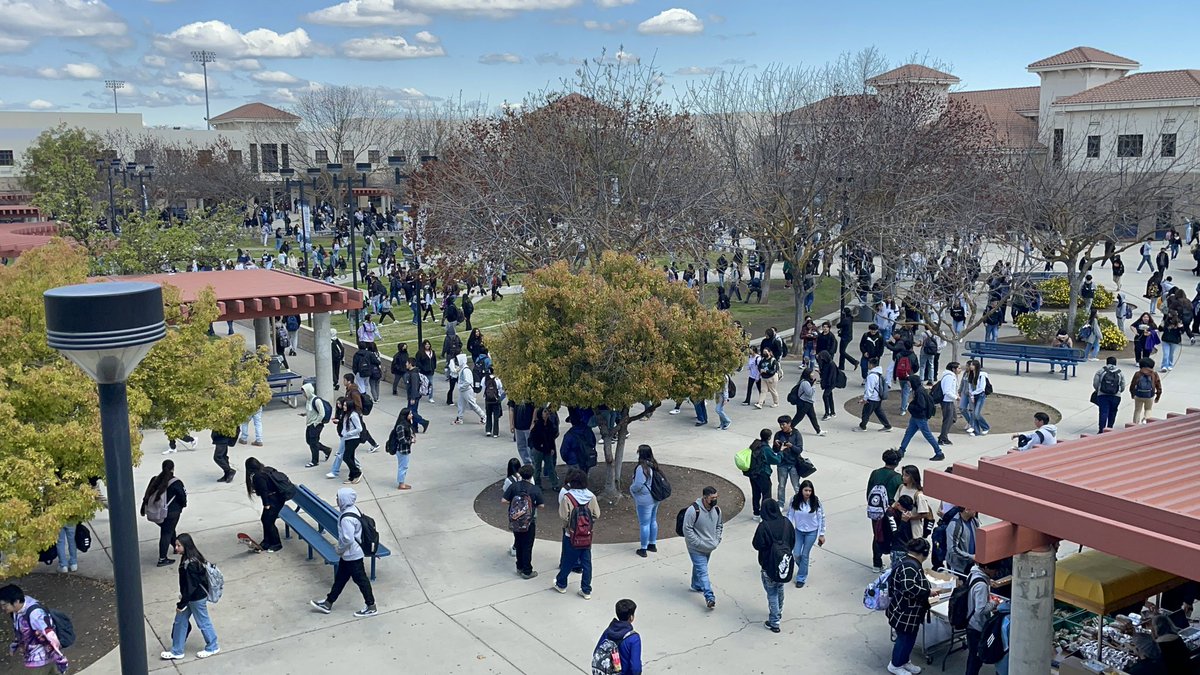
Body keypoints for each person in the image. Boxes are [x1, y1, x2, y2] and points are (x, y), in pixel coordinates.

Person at [310, 488, 377, 617]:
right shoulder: (353, 509)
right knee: (341, 578)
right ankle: (328, 602)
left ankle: (371, 606)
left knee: (361, 580)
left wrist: (339, 549)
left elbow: (347, 539)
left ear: (344, 499)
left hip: (352, 555)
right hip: (351, 554)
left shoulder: (346, 518)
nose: (337, 499)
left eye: (338, 497)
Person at [160, 533, 220, 661]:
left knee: (202, 622)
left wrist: (181, 604)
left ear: (185, 546)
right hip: (192, 597)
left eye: (178, 545)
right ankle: (177, 650)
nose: (176, 548)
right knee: (180, 622)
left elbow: (190, 587)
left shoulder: (190, 564)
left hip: (195, 598)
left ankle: (212, 646)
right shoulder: (193, 558)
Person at [885, 538, 934, 675]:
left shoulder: (907, 561)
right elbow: (909, 588)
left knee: (910, 638)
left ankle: (904, 661)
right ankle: (895, 665)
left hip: (907, 610)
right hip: (905, 611)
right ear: (924, 553)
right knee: (904, 639)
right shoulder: (910, 566)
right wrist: (928, 592)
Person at [553, 469, 600, 599]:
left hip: (571, 534)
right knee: (587, 563)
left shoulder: (568, 497)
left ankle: (561, 584)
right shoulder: (591, 496)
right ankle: (586, 589)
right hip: (587, 535)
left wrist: (568, 527)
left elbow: (564, 516)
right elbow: (596, 514)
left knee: (568, 560)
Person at [1, 584, 70, 673]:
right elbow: (21, 631)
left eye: (4, 605)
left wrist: (60, 658)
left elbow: (50, 635)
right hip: (34, 656)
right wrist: (15, 645)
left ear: (16, 601)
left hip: (40, 658)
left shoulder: (35, 614)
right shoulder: (17, 611)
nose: (2, 608)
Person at [751, 498, 795, 633]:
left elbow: (757, 544)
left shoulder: (764, 526)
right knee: (780, 587)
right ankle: (779, 611)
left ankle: (774, 620)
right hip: (784, 562)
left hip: (768, 564)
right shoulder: (786, 523)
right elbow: (792, 540)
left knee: (772, 592)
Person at [682, 486, 723, 610]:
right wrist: (698, 543)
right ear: (705, 498)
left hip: (709, 546)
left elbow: (719, 525)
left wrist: (716, 540)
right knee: (703, 571)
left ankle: (696, 585)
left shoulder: (717, 510)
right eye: (712, 498)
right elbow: (687, 529)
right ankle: (709, 597)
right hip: (696, 548)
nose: (715, 500)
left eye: (716, 497)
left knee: (700, 568)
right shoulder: (692, 511)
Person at [141, 459, 187, 567]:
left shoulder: (155, 479)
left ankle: (175, 546)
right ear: (173, 469)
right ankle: (162, 559)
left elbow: (147, 494)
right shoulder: (176, 483)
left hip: (156, 513)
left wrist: (143, 508)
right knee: (166, 533)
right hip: (172, 513)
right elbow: (182, 497)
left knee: (169, 529)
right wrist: (183, 505)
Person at [501, 464, 544, 579]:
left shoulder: (514, 486)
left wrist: (514, 505)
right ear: (531, 476)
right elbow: (541, 505)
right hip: (529, 522)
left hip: (515, 520)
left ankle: (519, 566)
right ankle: (527, 570)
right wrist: (531, 506)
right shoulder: (535, 489)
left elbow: (504, 500)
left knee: (518, 543)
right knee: (527, 545)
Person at [867, 450, 903, 572]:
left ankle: (877, 563)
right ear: (897, 462)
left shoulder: (875, 473)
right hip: (891, 511)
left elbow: (869, 492)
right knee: (894, 535)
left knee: (877, 535)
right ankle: (895, 562)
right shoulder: (898, 477)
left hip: (876, 510)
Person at [896, 374, 945, 461]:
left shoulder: (919, 392)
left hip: (920, 417)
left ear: (913, 382)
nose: (908, 383)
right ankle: (901, 450)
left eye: (909, 382)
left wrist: (910, 407)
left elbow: (921, 406)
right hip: (917, 416)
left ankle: (939, 452)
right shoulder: (919, 390)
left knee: (927, 435)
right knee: (909, 433)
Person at [786, 480, 825, 589]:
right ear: (801, 490)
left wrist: (821, 534)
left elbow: (821, 517)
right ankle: (803, 567)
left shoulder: (816, 501)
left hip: (812, 532)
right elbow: (790, 515)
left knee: (804, 555)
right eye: (806, 490)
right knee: (796, 554)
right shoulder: (794, 500)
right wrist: (787, 529)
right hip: (798, 531)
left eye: (810, 491)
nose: (808, 493)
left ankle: (801, 577)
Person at [964, 561, 1001, 675]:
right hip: (976, 626)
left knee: (973, 657)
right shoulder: (982, 585)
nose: (996, 572)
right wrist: (994, 603)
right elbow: (980, 610)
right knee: (976, 659)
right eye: (994, 569)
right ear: (986, 568)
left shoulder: (973, 574)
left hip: (969, 621)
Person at [245, 458, 287, 552]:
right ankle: (266, 541)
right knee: (265, 519)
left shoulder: (258, 476)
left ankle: (276, 543)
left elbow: (264, 491)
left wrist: (266, 504)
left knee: (269, 522)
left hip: (273, 500)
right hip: (278, 497)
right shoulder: (265, 470)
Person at [629, 445, 664, 558]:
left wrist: (631, 489)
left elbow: (638, 485)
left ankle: (643, 548)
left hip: (644, 500)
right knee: (653, 520)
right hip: (655, 497)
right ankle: (652, 544)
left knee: (644, 523)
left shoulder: (641, 468)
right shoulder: (653, 465)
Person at [593, 599, 642, 675]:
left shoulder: (608, 631)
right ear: (631, 617)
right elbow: (635, 668)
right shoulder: (634, 638)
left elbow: (596, 652)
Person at [746, 428, 779, 519]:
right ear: (769, 438)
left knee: (756, 493)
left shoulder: (755, 444)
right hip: (762, 473)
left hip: (752, 473)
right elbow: (775, 460)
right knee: (766, 493)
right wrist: (781, 452)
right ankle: (765, 514)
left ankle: (756, 513)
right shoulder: (766, 448)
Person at [773, 416, 803, 504]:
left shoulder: (796, 434)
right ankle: (780, 503)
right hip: (782, 464)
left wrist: (791, 446)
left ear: (789, 424)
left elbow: (799, 449)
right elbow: (775, 450)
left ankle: (800, 503)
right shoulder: (778, 434)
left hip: (794, 464)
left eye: (783, 424)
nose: (782, 427)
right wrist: (776, 445)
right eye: (780, 425)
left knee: (796, 486)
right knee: (781, 486)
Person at [302, 383, 333, 467]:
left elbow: (322, 414)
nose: (303, 394)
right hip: (310, 424)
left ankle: (314, 461)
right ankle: (326, 450)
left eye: (304, 392)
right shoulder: (308, 400)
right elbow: (311, 410)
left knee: (313, 443)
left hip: (316, 425)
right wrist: (305, 414)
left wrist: (316, 423)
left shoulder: (316, 401)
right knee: (309, 441)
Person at [529, 406, 560, 490]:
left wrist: (552, 448)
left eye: (547, 412)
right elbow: (533, 438)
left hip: (547, 449)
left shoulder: (550, 424)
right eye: (545, 412)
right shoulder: (537, 425)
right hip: (538, 449)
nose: (547, 414)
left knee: (551, 467)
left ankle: (555, 484)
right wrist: (538, 446)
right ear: (541, 414)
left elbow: (551, 438)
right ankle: (537, 485)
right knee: (537, 468)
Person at [857, 358, 892, 432]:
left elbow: (869, 389)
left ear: (871, 365)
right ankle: (887, 426)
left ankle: (862, 426)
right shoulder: (878, 374)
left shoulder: (871, 376)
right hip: (878, 398)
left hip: (872, 398)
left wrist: (865, 399)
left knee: (866, 413)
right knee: (879, 412)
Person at [1092, 356, 1125, 433]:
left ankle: (1101, 429)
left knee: (1103, 412)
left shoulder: (1101, 371)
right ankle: (1110, 428)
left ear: (1107, 362)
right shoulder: (1120, 372)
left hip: (1102, 395)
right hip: (1116, 396)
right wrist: (1119, 392)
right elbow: (1123, 385)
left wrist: (1098, 390)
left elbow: (1095, 383)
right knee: (1113, 412)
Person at [336, 398, 364, 484]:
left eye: (345, 405)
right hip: (347, 439)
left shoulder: (353, 415)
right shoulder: (346, 415)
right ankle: (352, 476)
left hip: (353, 439)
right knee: (350, 457)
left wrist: (348, 434)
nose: (343, 407)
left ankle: (357, 473)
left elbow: (359, 428)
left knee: (346, 457)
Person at [944, 508, 979, 575]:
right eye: (974, 508)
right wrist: (971, 557)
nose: (976, 510)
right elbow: (952, 549)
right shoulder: (955, 525)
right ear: (966, 510)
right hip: (957, 567)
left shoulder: (974, 521)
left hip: (970, 564)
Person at [960, 360, 990, 436]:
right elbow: (970, 386)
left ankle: (985, 427)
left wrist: (973, 393)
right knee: (973, 413)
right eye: (970, 365)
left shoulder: (981, 375)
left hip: (980, 395)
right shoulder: (970, 374)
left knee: (976, 413)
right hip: (974, 395)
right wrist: (971, 395)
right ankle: (976, 431)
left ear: (976, 366)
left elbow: (981, 388)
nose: (970, 366)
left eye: (972, 365)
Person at [791, 369, 824, 435]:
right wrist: (814, 385)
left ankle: (818, 430)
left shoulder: (806, 381)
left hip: (808, 402)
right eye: (811, 373)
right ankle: (789, 427)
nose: (813, 374)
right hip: (804, 402)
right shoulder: (805, 383)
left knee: (812, 417)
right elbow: (809, 393)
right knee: (799, 417)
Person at [1129, 357, 1163, 424]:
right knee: (1148, 409)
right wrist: (1157, 397)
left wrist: (1132, 394)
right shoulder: (1154, 374)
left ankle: (1135, 424)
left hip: (1138, 395)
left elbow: (1132, 385)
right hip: (1149, 395)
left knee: (1137, 410)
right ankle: (1145, 420)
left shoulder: (1138, 374)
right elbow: (1158, 386)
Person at [390, 408, 416, 490]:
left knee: (404, 466)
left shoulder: (407, 424)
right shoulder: (401, 426)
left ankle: (402, 482)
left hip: (405, 449)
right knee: (403, 466)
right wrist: (410, 441)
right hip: (402, 450)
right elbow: (402, 439)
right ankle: (401, 483)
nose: (411, 415)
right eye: (410, 414)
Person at [454, 359, 486, 425]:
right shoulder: (462, 369)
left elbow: (468, 381)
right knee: (461, 404)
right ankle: (460, 418)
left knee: (473, 404)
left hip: (467, 390)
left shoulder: (466, 370)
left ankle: (483, 416)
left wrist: (461, 386)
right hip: (463, 390)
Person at [936, 362, 959, 446]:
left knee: (953, 418)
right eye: (959, 368)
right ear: (953, 369)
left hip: (949, 401)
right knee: (948, 419)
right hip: (947, 401)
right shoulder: (949, 377)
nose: (960, 370)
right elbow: (947, 391)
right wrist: (956, 397)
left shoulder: (951, 376)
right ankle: (943, 438)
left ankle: (943, 435)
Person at [481, 368, 506, 438]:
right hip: (496, 400)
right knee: (496, 417)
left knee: (488, 415)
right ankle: (495, 432)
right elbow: (500, 389)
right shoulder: (497, 379)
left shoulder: (484, 378)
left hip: (487, 400)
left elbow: (483, 388)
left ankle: (488, 430)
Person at [509, 400, 536, 466]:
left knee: (530, 446)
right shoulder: (515, 396)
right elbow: (511, 409)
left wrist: (533, 422)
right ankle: (526, 463)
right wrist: (511, 424)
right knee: (521, 446)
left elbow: (536, 408)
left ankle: (534, 464)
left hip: (528, 425)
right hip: (518, 425)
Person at [816, 350, 837, 421]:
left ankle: (827, 413)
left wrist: (827, 384)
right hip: (828, 383)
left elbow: (831, 376)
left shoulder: (831, 364)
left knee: (825, 396)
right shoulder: (825, 363)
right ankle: (832, 412)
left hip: (830, 384)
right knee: (829, 396)